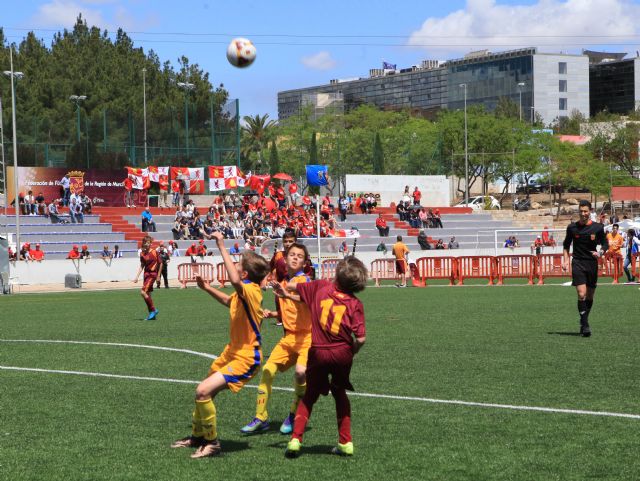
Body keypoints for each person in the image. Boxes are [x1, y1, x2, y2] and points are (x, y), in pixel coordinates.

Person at [171, 232, 270, 458]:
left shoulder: (251, 291)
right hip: (232, 353)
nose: (235, 267)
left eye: (239, 265)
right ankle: (198, 436)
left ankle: (212, 443)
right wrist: (207, 288)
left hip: (247, 358)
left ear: (244, 273)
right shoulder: (243, 294)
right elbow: (229, 301)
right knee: (205, 391)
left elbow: (234, 282)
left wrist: (221, 245)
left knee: (202, 391)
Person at [274, 256, 367, 458]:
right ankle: (345, 442)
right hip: (342, 352)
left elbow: (294, 287)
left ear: (337, 274)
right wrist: (351, 352)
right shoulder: (355, 303)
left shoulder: (321, 287)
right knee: (340, 394)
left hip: (318, 350)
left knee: (309, 396)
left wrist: (286, 292)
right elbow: (360, 338)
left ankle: (296, 439)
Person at [240, 242, 312, 436]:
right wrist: (273, 314)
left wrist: (286, 294)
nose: (295, 257)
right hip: (288, 338)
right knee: (267, 371)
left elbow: (308, 300)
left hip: (307, 339)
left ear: (305, 263)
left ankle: (294, 415)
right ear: (285, 258)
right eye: (292, 255)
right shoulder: (282, 284)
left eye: (300, 256)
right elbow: (289, 312)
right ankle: (260, 417)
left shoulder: (304, 280)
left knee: (300, 373)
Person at [562, 200, 608, 337]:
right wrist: (565, 260)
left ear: (590, 211)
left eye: (585, 211)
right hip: (577, 262)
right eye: (581, 211)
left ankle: (583, 320)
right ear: (578, 211)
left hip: (592, 263)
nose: (583, 214)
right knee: (581, 294)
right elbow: (566, 246)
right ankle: (585, 324)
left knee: (590, 295)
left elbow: (605, 243)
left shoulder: (598, 227)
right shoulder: (572, 228)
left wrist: (600, 253)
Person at [133, 235, 161, 320]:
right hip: (146, 275)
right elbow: (142, 265)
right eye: (145, 242)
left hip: (152, 275)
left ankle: (153, 310)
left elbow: (160, 263)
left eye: (148, 242)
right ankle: (152, 315)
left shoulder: (154, 252)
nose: (147, 244)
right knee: (148, 294)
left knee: (143, 292)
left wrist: (158, 276)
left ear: (151, 243)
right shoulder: (142, 254)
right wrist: (137, 276)